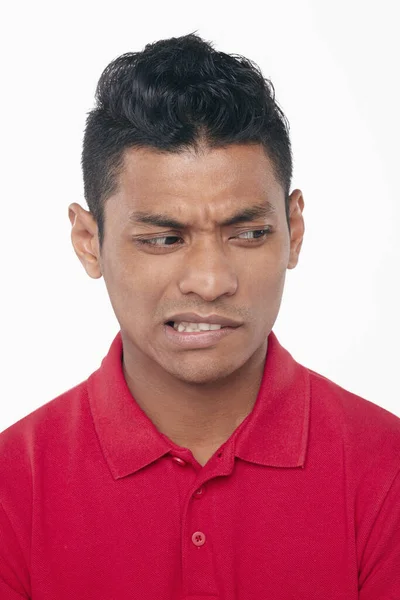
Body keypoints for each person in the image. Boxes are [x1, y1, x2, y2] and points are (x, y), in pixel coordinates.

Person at [0, 32, 399, 600]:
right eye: (164, 238)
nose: (210, 281)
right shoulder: (14, 485)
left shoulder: (388, 470)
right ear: (89, 242)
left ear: (295, 231)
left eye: (249, 233)